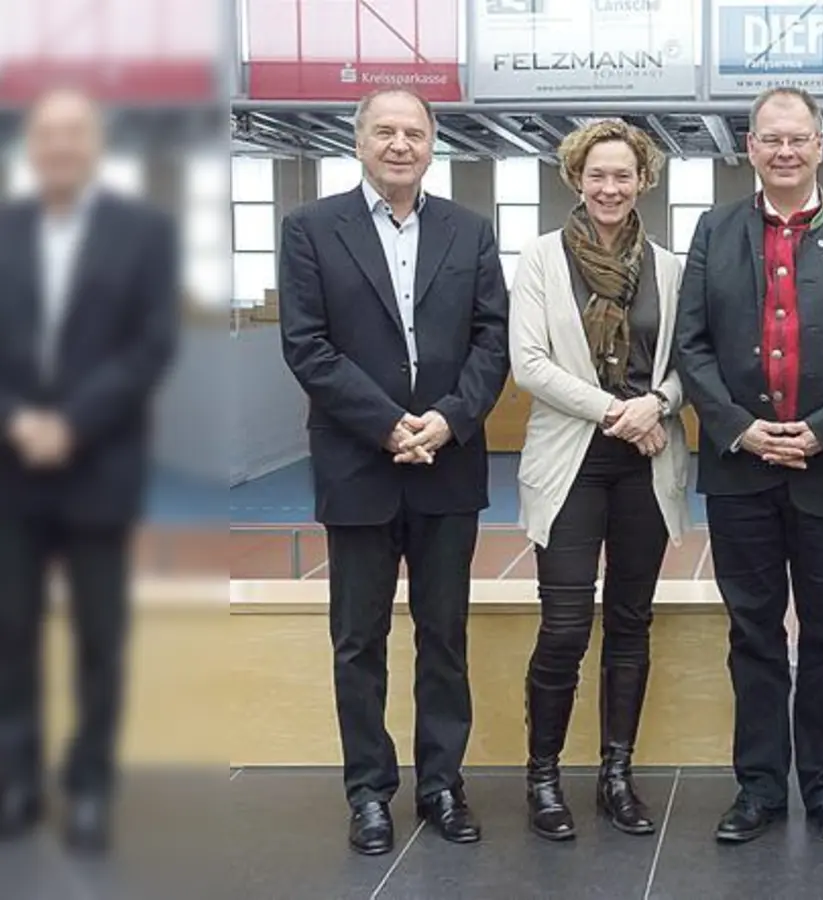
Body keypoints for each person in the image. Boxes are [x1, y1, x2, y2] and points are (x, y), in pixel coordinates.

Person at [673, 86, 823, 847]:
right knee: (753, 634)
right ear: (750, 147)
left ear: (820, 144)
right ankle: (759, 788)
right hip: (739, 469)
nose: (785, 151)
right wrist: (740, 428)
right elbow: (691, 344)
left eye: (798, 138)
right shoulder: (713, 231)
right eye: (771, 139)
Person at [278, 87, 509, 855]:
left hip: (448, 461)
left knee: (445, 636)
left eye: (414, 132)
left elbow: (492, 340)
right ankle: (369, 793)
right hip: (358, 464)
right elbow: (307, 345)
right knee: (358, 641)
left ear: (433, 144)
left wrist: (449, 419)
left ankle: (442, 785)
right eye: (385, 131)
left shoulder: (470, 231)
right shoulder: (311, 229)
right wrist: (385, 425)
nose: (400, 144)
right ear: (359, 141)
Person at [0, 88, 178, 854]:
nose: (62, 147)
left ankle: (89, 788)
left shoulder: (144, 234)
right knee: (10, 636)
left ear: (96, 146)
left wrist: (70, 422)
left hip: (100, 465)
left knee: (100, 641)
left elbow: (151, 345)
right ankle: (16, 781)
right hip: (10, 472)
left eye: (76, 134)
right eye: (49, 134)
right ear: (32, 147)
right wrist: (18, 420)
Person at [509, 119, 691, 842]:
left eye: (623, 175)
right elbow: (530, 363)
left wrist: (659, 404)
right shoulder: (540, 258)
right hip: (570, 463)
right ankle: (543, 776)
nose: (610, 188)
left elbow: (688, 362)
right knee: (563, 627)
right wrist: (620, 412)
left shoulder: (669, 269)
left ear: (643, 181)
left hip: (647, 461)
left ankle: (617, 774)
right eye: (597, 175)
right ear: (576, 180)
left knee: (629, 621)